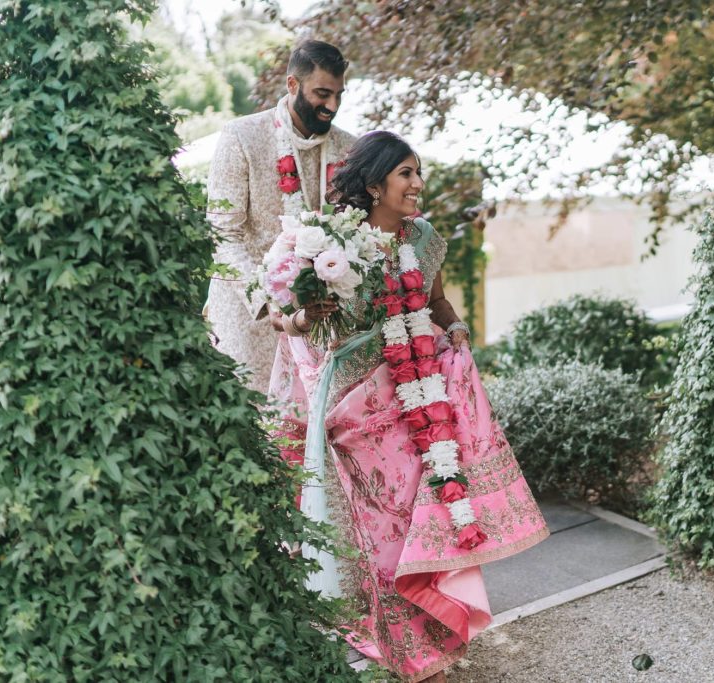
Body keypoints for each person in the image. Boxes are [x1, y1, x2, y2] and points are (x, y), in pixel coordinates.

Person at [268, 132, 548, 682]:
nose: (418, 185)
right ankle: (407, 654)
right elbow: (281, 314)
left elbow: (436, 300)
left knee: (428, 523)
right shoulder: (330, 241)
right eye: (406, 174)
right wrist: (304, 318)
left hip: (419, 399)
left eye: (419, 172)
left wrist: (458, 330)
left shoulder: (423, 238)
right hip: (356, 407)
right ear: (374, 185)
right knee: (382, 534)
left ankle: (434, 643)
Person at [205, 39, 356, 393]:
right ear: (292, 85)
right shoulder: (241, 136)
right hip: (249, 315)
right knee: (254, 420)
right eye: (322, 93)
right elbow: (222, 232)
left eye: (338, 95)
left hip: (321, 318)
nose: (331, 106)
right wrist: (266, 298)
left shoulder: (349, 149)